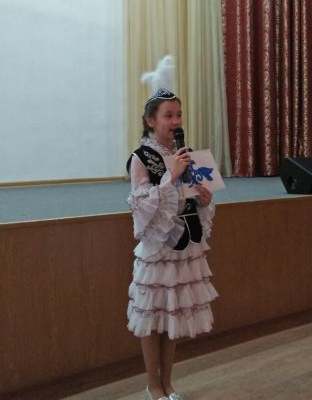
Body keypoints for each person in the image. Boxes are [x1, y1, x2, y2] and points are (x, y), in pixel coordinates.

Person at [126, 56, 218, 400]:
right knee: (153, 317)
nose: (176, 121)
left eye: (178, 115)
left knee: (173, 315)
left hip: (185, 244)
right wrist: (171, 176)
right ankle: (153, 385)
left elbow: (196, 199)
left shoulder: (187, 153)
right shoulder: (141, 157)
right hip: (158, 249)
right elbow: (141, 204)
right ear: (151, 121)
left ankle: (168, 383)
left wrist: (205, 199)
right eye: (168, 116)